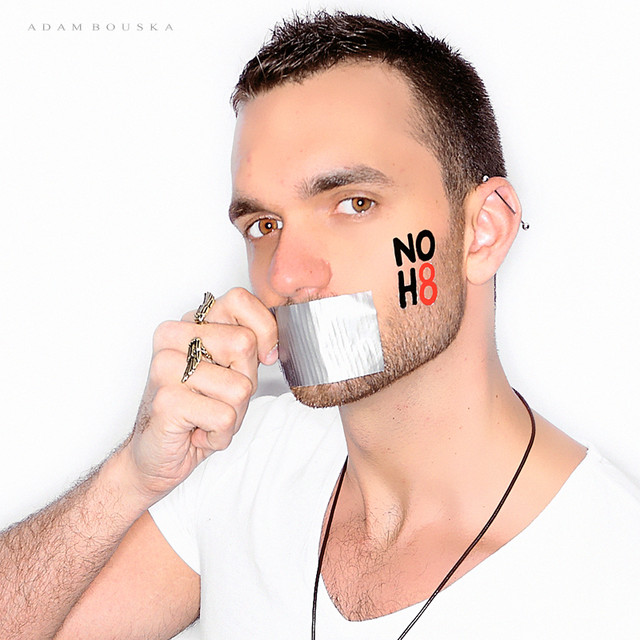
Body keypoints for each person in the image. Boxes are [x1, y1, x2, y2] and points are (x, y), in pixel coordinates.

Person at [2, 11, 639, 640]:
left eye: (354, 204)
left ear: (483, 232)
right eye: (263, 225)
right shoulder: (239, 459)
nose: (287, 273)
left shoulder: (616, 580)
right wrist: (132, 477)